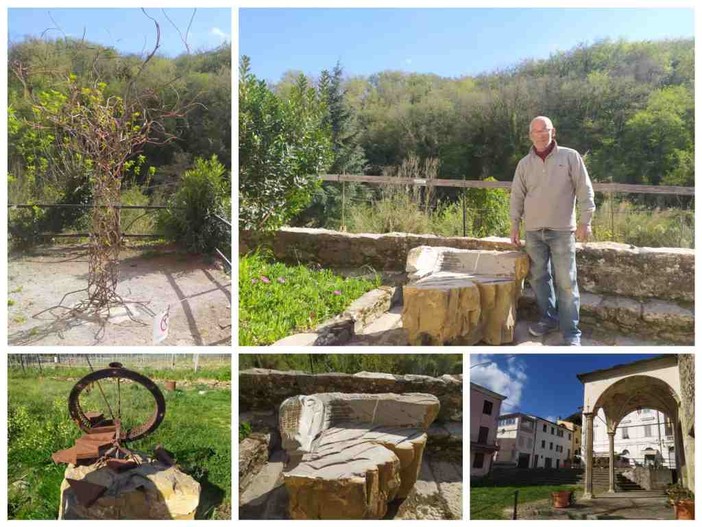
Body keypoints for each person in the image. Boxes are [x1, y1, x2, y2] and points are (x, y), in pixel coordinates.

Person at [509, 116, 595, 346]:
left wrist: (585, 221)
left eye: (545, 129)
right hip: (533, 231)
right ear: (530, 135)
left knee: (566, 281)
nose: (541, 134)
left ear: (553, 131)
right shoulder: (524, 164)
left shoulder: (570, 156)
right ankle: (548, 319)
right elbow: (517, 195)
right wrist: (515, 224)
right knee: (539, 278)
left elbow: (584, 189)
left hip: (562, 230)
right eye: (536, 131)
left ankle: (571, 333)